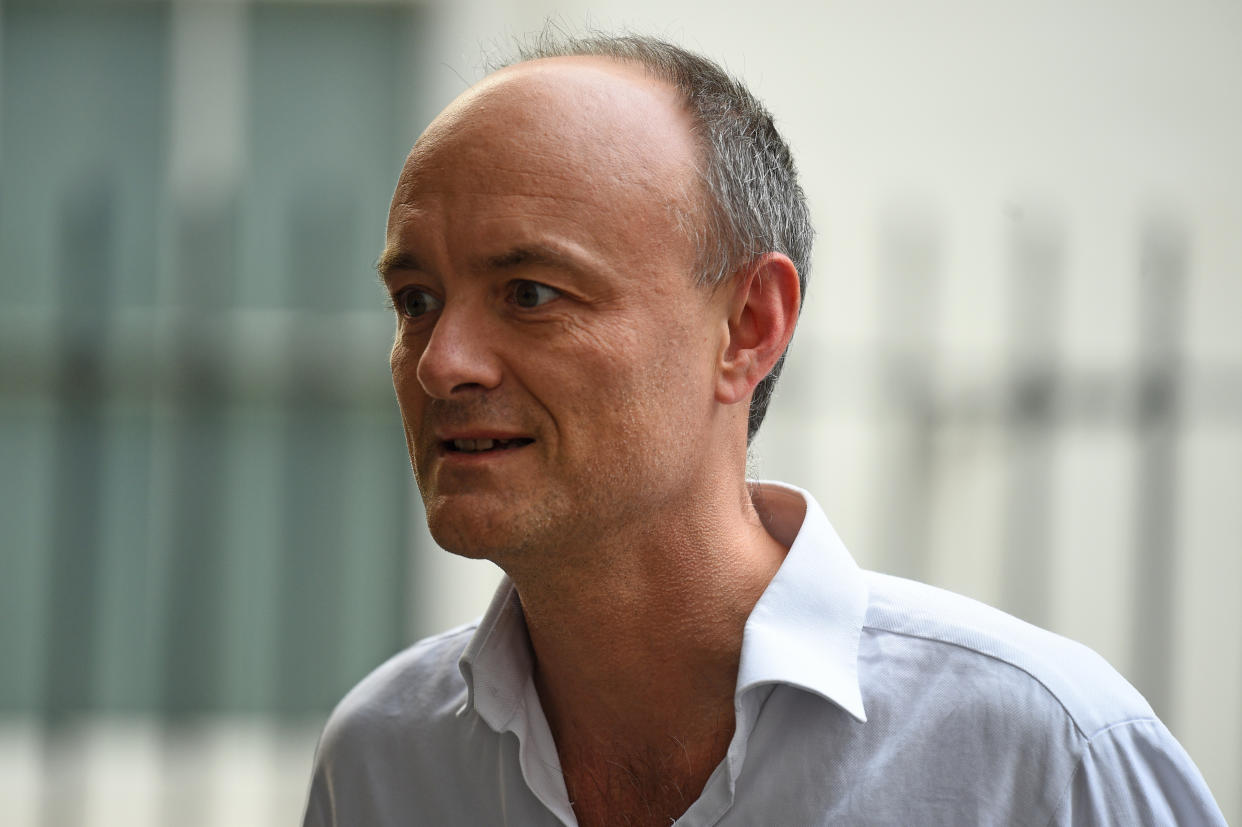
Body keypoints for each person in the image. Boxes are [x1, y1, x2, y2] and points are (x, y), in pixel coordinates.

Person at [302, 33, 1225, 826]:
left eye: (532, 293)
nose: (441, 361)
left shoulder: (1043, 756)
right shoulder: (384, 762)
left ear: (747, 327)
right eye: (415, 300)